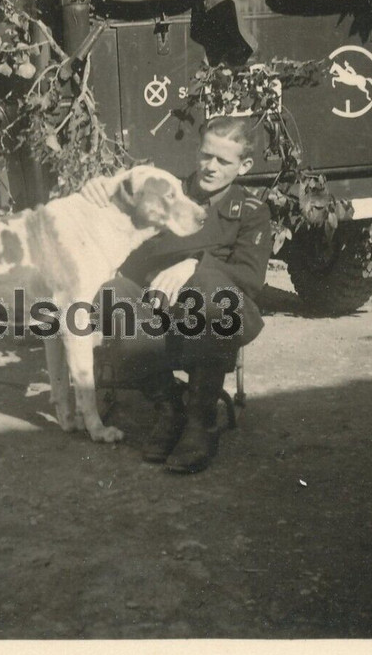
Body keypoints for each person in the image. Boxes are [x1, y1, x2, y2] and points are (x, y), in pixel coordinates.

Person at [81, 116, 271, 474]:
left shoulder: (251, 212)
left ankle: (201, 421)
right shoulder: (171, 191)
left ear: (244, 166)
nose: (209, 167)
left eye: (223, 161)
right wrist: (97, 189)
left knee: (207, 292)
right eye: (205, 155)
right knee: (113, 293)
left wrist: (194, 265)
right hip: (161, 307)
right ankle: (169, 407)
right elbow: (124, 208)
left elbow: (250, 278)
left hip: (215, 314)